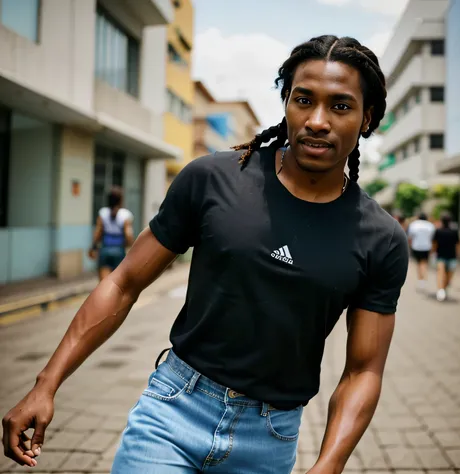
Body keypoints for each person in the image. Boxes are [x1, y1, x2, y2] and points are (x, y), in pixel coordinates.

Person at [2, 35, 409, 474]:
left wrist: (328, 465)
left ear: (367, 118)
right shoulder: (213, 179)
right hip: (174, 411)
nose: (316, 120)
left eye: (340, 106)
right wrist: (47, 383)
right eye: (303, 99)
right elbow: (123, 283)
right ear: (285, 102)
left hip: (269, 438)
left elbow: (363, 371)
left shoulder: (380, 238)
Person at [88, 187, 135, 281]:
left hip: (105, 250)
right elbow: (128, 235)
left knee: (103, 283)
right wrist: (129, 246)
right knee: (117, 283)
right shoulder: (125, 215)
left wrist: (93, 248)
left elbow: (97, 233)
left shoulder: (103, 213)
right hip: (119, 251)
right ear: (121, 200)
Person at [433, 213, 460, 301]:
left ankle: (441, 290)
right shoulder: (454, 231)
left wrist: (433, 252)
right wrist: (459, 255)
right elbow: (458, 245)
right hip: (452, 256)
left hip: (441, 255)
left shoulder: (438, 231)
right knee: (448, 276)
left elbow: (434, 243)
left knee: (441, 274)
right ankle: (442, 290)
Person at [407, 212, 435, 290]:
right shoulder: (430, 225)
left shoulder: (414, 224)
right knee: (424, 263)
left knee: (419, 263)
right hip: (427, 247)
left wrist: (409, 246)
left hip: (416, 247)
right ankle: (423, 278)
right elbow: (432, 238)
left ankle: (421, 279)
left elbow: (410, 237)